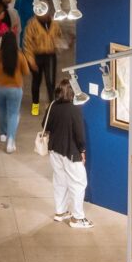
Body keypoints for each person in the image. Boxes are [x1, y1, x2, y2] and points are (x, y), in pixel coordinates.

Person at [41, 80, 90, 228]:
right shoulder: (75, 109)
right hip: (71, 152)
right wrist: (82, 150)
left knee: (60, 181)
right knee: (79, 184)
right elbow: (79, 134)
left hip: (54, 150)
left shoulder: (52, 106)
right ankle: (77, 218)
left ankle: (60, 212)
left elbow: (45, 125)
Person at [0, 29, 26, 153]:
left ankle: (2, 134)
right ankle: (10, 140)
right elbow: (26, 71)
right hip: (15, 88)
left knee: (2, 111)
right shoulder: (19, 55)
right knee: (13, 114)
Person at [21, 0, 58, 118]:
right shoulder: (32, 24)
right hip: (37, 57)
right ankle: (35, 105)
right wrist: (31, 61)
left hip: (50, 56)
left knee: (50, 82)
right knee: (36, 82)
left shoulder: (54, 22)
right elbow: (27, 44)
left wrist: (62, 44)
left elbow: (58, 37)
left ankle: (51, 105)